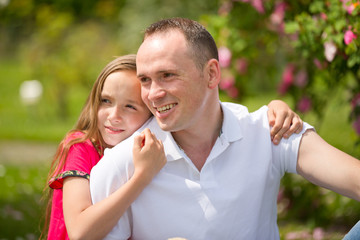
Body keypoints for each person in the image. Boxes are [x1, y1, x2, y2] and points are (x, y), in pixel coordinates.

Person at [90, 18, 360, 240]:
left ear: (211, 74)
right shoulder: (120, 165)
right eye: (145, 80)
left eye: (167, 75)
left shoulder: (270, 130)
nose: (154, 93)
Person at [41, 54, 299, 240]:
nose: (113, 115)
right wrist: (142, 176)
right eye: (105, 101)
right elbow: (80, 232)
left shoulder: (157, 144)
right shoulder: (81, 146)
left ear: (153, 114)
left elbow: (220, 113)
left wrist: (276, 107)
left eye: (130, 106)